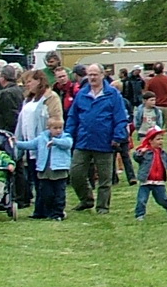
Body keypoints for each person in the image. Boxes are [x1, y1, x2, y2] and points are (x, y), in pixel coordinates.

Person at [64, 63, 130, 214]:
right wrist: (69, 134)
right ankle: (86, 199)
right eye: (90, 74)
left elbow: (120, 118)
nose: (92, 77)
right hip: (83, 141)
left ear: (102, 75)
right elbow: (73, 116)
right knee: (76, 173)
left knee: (105, 178)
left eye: (95, 74)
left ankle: (102, 206)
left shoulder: (113, 94)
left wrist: (118, 136)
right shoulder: (82, 93)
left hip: (105, 142)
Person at [14, 69, 62, 215]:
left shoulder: (51, 97)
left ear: (39, 81)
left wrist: (50, 138)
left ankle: (50, 209)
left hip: (44, 145)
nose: (26, 85)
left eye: (29, 82)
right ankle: (40, 209)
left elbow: (56, 119)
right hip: (30, 144)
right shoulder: (28, 99)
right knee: (35, 177)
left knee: (45, 179)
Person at [26, 115, 73, 220]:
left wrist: (55, 142)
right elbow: (30, 144)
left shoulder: (66, 137)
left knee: (59, 194)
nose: (58, 131)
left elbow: (68, 144)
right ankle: (48, 211)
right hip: (45, 171)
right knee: (46, 194)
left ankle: (58, 213)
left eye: (60, 128)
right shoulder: (42, 138)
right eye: (55, 128)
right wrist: (16, 143)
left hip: (59, 170)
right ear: (48, 128)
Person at [131, 125, 167, 218]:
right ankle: (140, 215)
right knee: (142, 199)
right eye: (158, 139)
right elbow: (136, 157)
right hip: (146, 181)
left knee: (162, 199)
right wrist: (140, 152)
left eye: (162, 139)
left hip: (159, 182)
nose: (161, 141)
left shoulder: (163, 153)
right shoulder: (145, 152)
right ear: (150, 141)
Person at [146, 63, 167, 132]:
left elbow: (147, 94)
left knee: (156, 127)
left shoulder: (151, 81)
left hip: (156, 106)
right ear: (162, 69)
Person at [0, 63, 25, 134]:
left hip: (7, 132)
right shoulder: (22, 90)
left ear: (3, 78)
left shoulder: (6, 93)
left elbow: (10, 115)